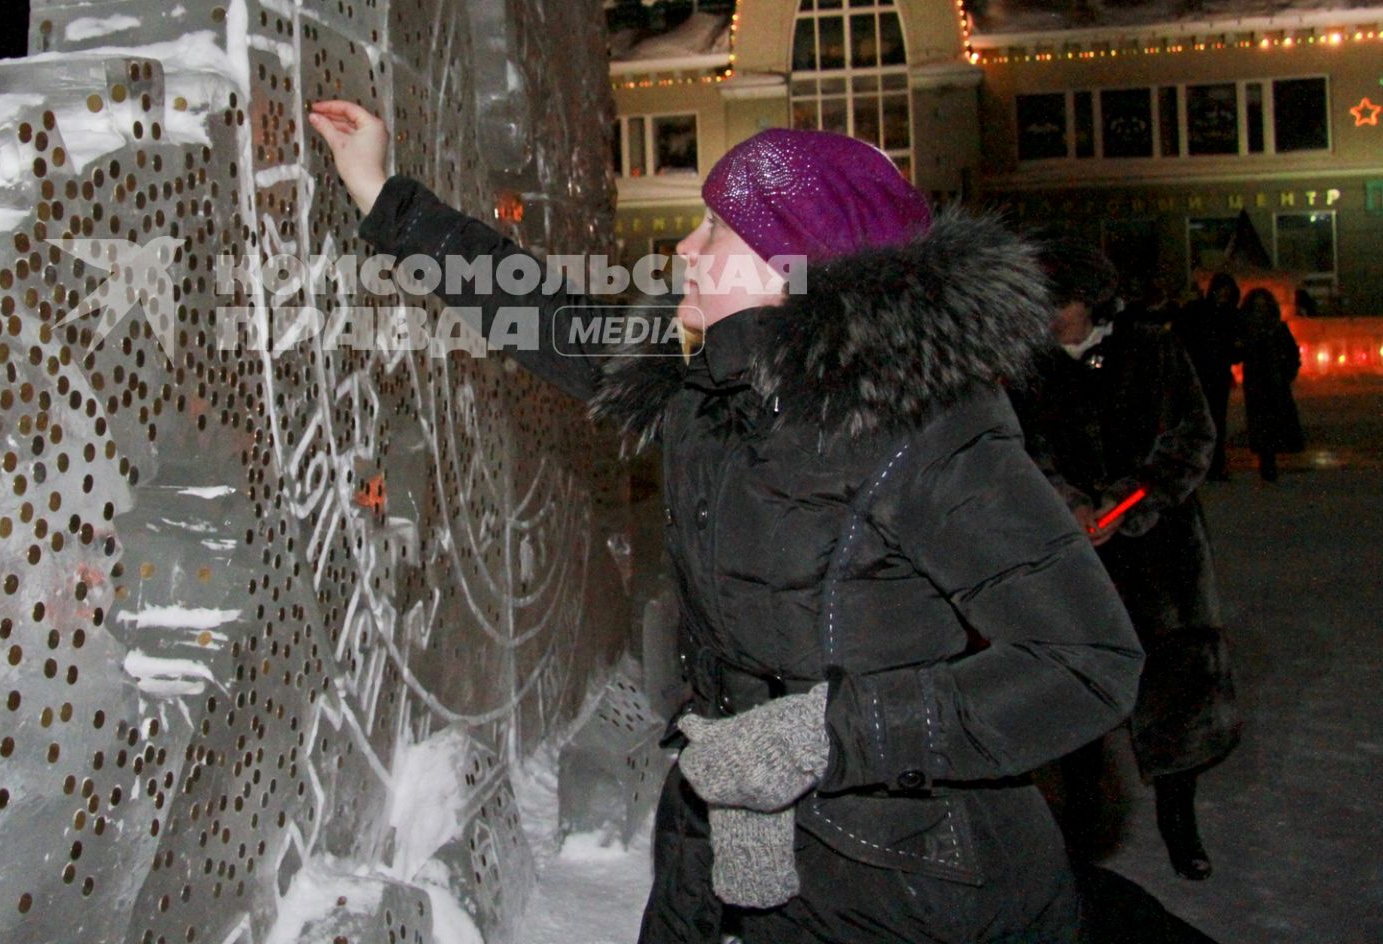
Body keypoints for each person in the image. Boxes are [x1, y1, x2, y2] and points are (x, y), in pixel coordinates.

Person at [309, 102, 1144, 944]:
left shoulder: (925, 426)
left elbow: (1085, 663)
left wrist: (821, 737)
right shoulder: (703, 385)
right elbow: (542, 316)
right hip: (726, 842)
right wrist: (383, 193)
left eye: (714, 229)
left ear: (794, 266)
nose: (684, 250)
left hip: (912, 886)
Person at [1011, 242, 1240, 882]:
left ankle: (1178, 820)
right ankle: (1081, 829)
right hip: (1072, 556)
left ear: (1092, 299)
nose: (1051, 316)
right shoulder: (1031, 370)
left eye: (1061, 302)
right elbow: (1026, 452)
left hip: (1162, 552)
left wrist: (1123, 504)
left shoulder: (1154, 350)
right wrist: (1071, 504)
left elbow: (1192, 438)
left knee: (1174, 693)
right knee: (1074, 686)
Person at [1173, 273, 1241, 480]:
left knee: (1215, 422)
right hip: (1198, 373)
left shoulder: (1229, 315)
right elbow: (1182, 337)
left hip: (1216, 375)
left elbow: (1234, 346)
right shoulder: (1197, 311)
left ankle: (1213, 465)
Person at [1238, 288, 1304, 483]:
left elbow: (1292, 353)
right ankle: (1267, 463)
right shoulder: (1248, 329)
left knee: (1273, 423)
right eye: (1257, 307)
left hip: (1275, 382)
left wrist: (1287, 372)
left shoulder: (1277, 328)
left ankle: (1270, 461)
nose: (1260, 310)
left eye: (1263, 306)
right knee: (1261, 424)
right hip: (1257, 383)